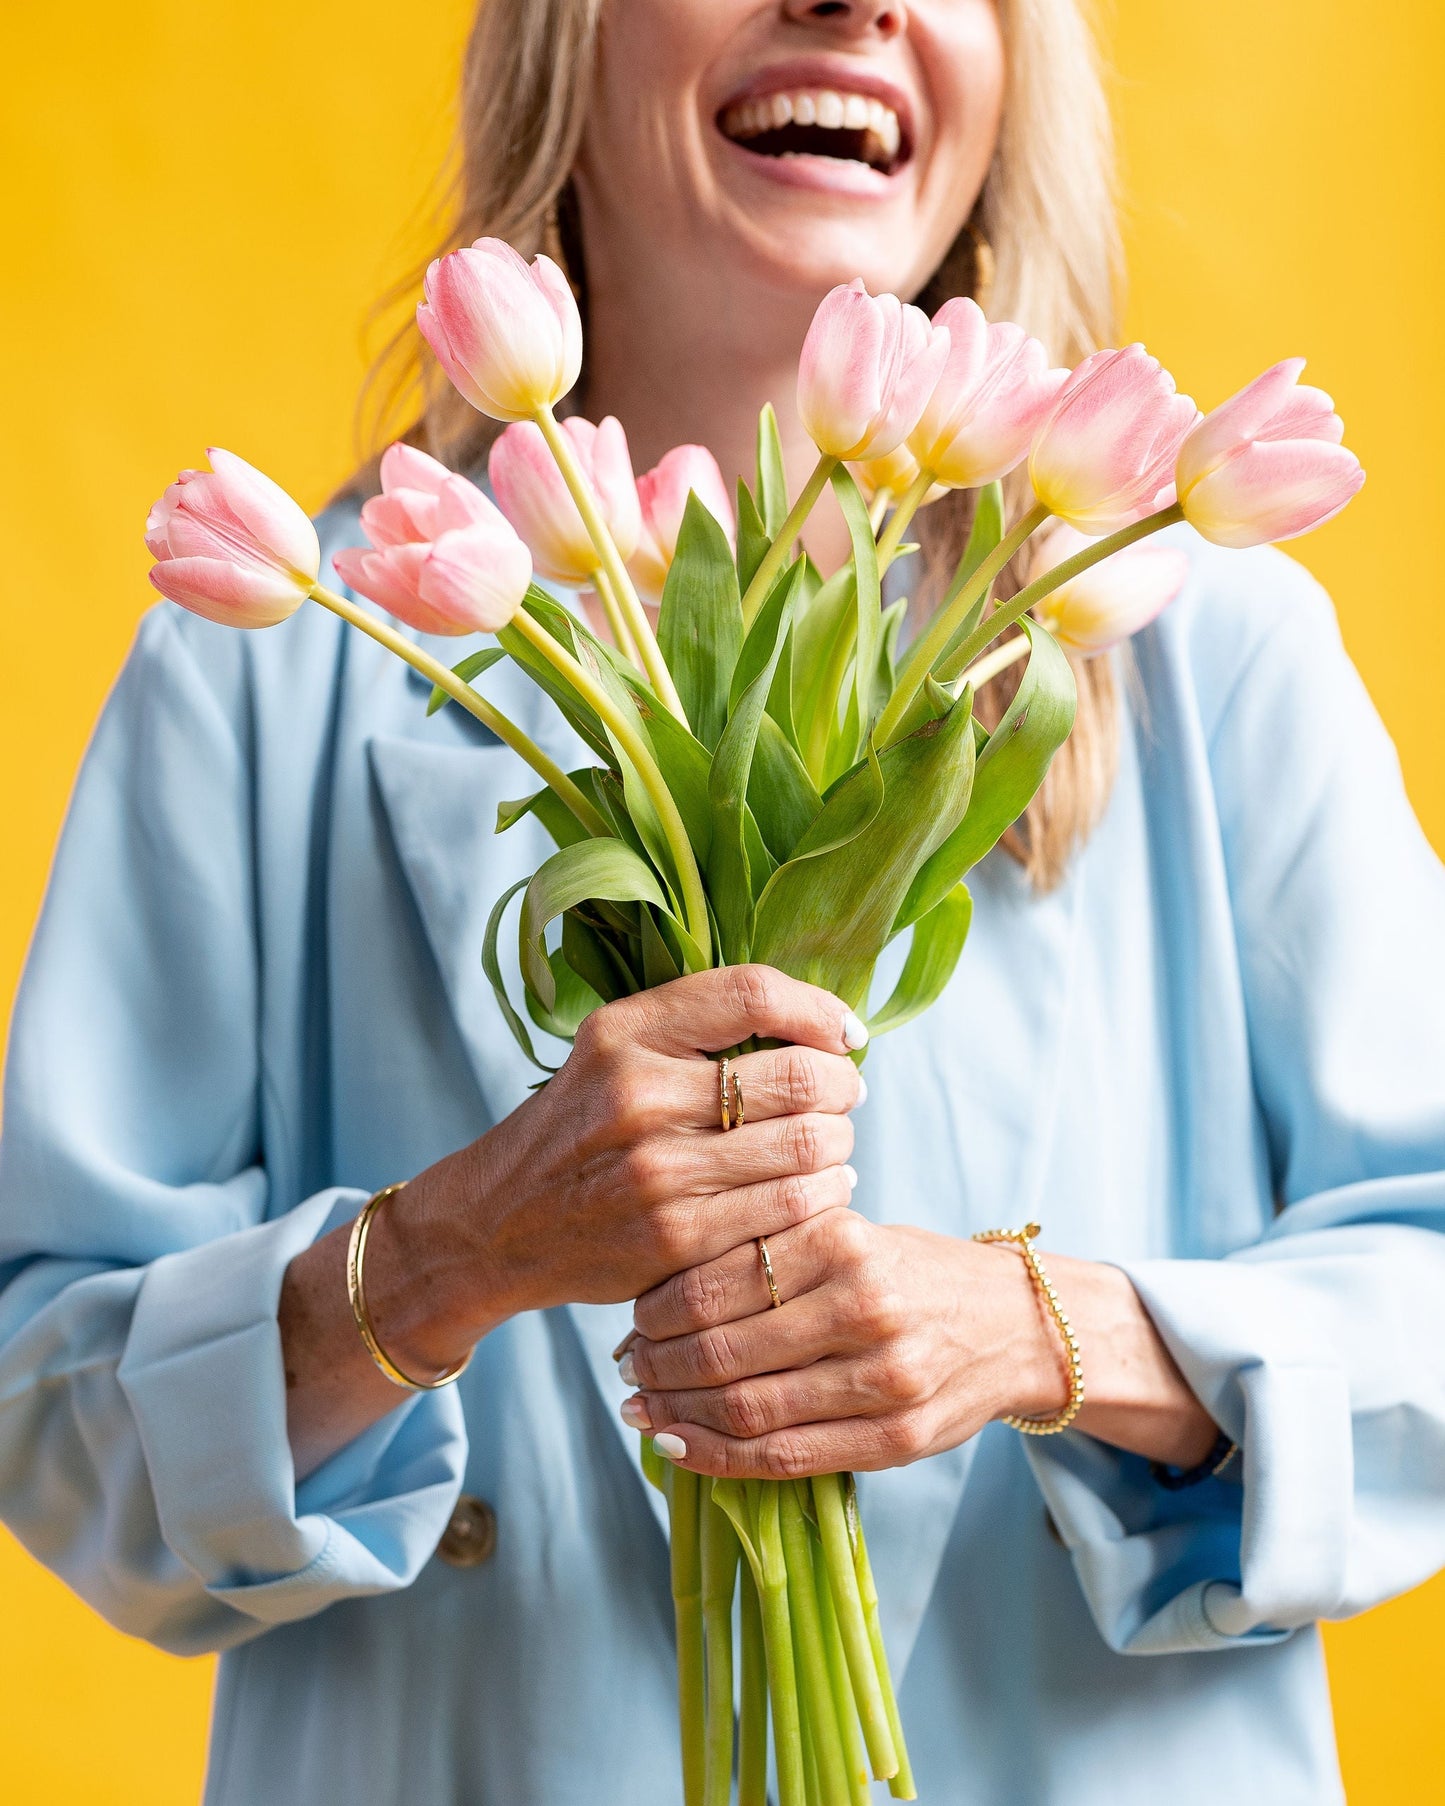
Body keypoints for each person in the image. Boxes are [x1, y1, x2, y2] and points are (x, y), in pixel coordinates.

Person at [1, 1, 1442, 1801]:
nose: (849, 2)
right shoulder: (274, 668)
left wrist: (1042, 1331)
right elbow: (52, 1405)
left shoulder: (1200, 641)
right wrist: (452, 1255)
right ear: (561, 43)